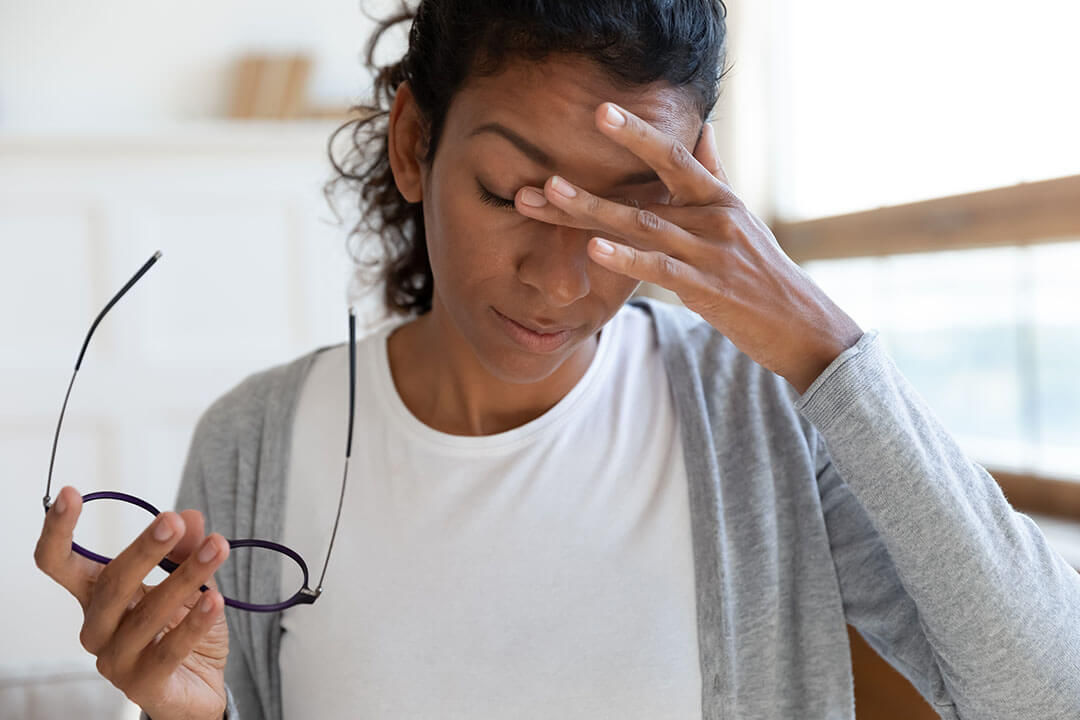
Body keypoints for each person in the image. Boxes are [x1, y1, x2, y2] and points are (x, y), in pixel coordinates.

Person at [34, 1, 1080, 718]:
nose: (563, 279)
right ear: (413, 144)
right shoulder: (255, 442)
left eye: (627, 211)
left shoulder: (765, 414)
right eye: (510, 194)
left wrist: (824, 346)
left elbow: (1050, 693)